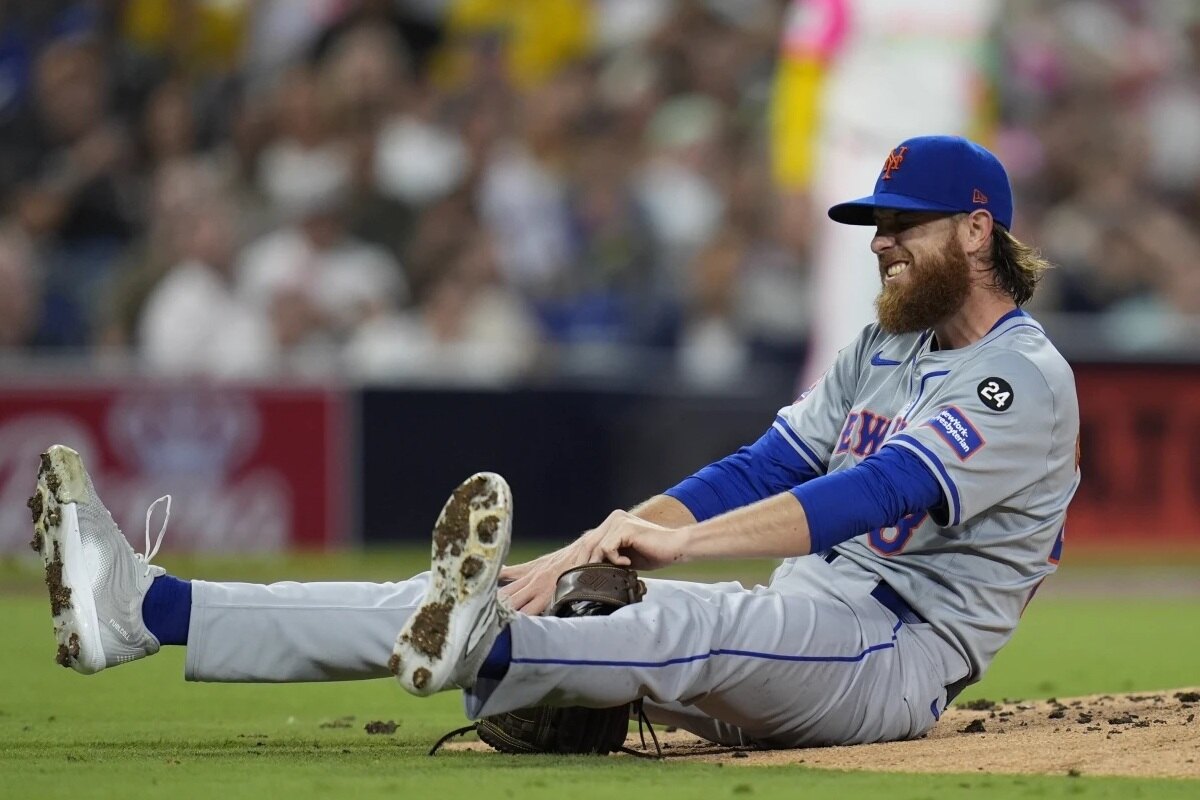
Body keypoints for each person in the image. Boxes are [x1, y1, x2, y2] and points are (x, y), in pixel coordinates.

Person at [31, 135, 1079, 748]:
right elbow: (767, 464)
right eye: (877, 222)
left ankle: (497, 651)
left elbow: (882, 489)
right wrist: (584, 550)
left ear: (978, 231)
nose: (882, 239)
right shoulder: (881, 345)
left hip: (893, 654)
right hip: (815, 614)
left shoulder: (1018, 375)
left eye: (906, 221)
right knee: (504, 597)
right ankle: (148, 606)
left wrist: (676, 544)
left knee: (680, 626)